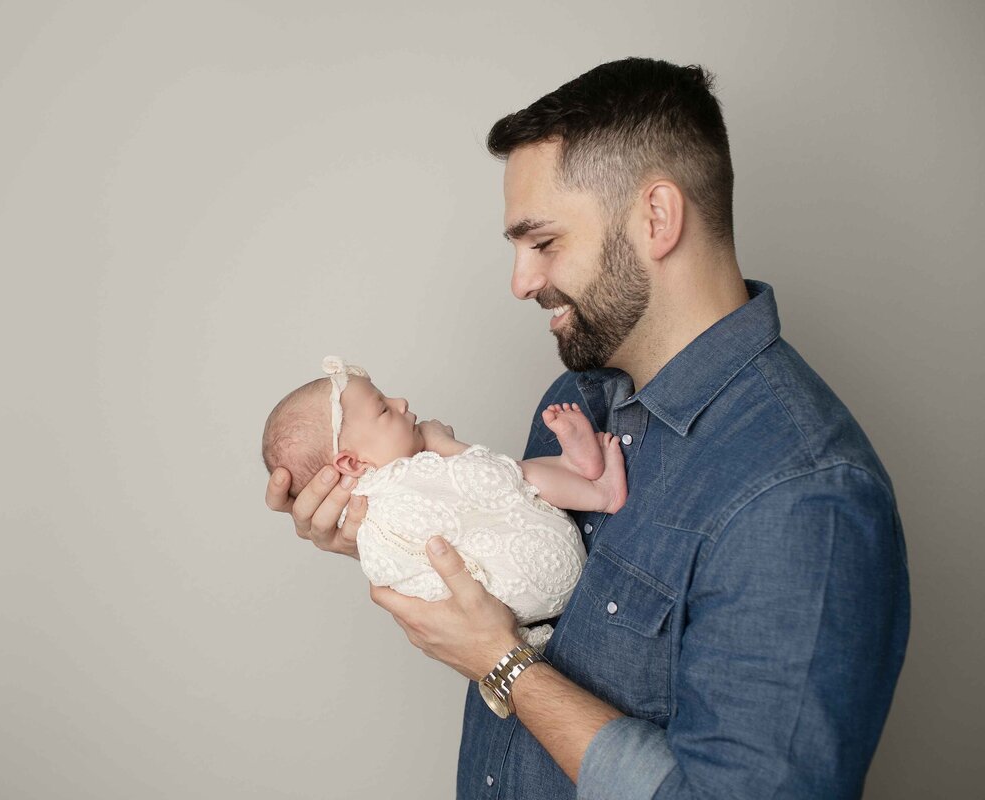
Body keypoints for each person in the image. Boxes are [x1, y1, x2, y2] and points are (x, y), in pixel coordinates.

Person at [264, 57, 910, 799]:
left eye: (542, 243)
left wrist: (504, 666)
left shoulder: (802, 496)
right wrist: (389, 531)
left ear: (657, 220)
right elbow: (506, 568)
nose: (520, 281)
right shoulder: (572, 398)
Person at [260, 355, 627, 649]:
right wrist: (446, 447)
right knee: (517, 476)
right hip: (531, 571)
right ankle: (598, 491)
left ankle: (575, 465)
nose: (401, 402)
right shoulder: (405, 484)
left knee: (516, 479)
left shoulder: (372, 518)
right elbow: (495, 479)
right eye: (384, 409)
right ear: (353, 463)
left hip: (519, 612)